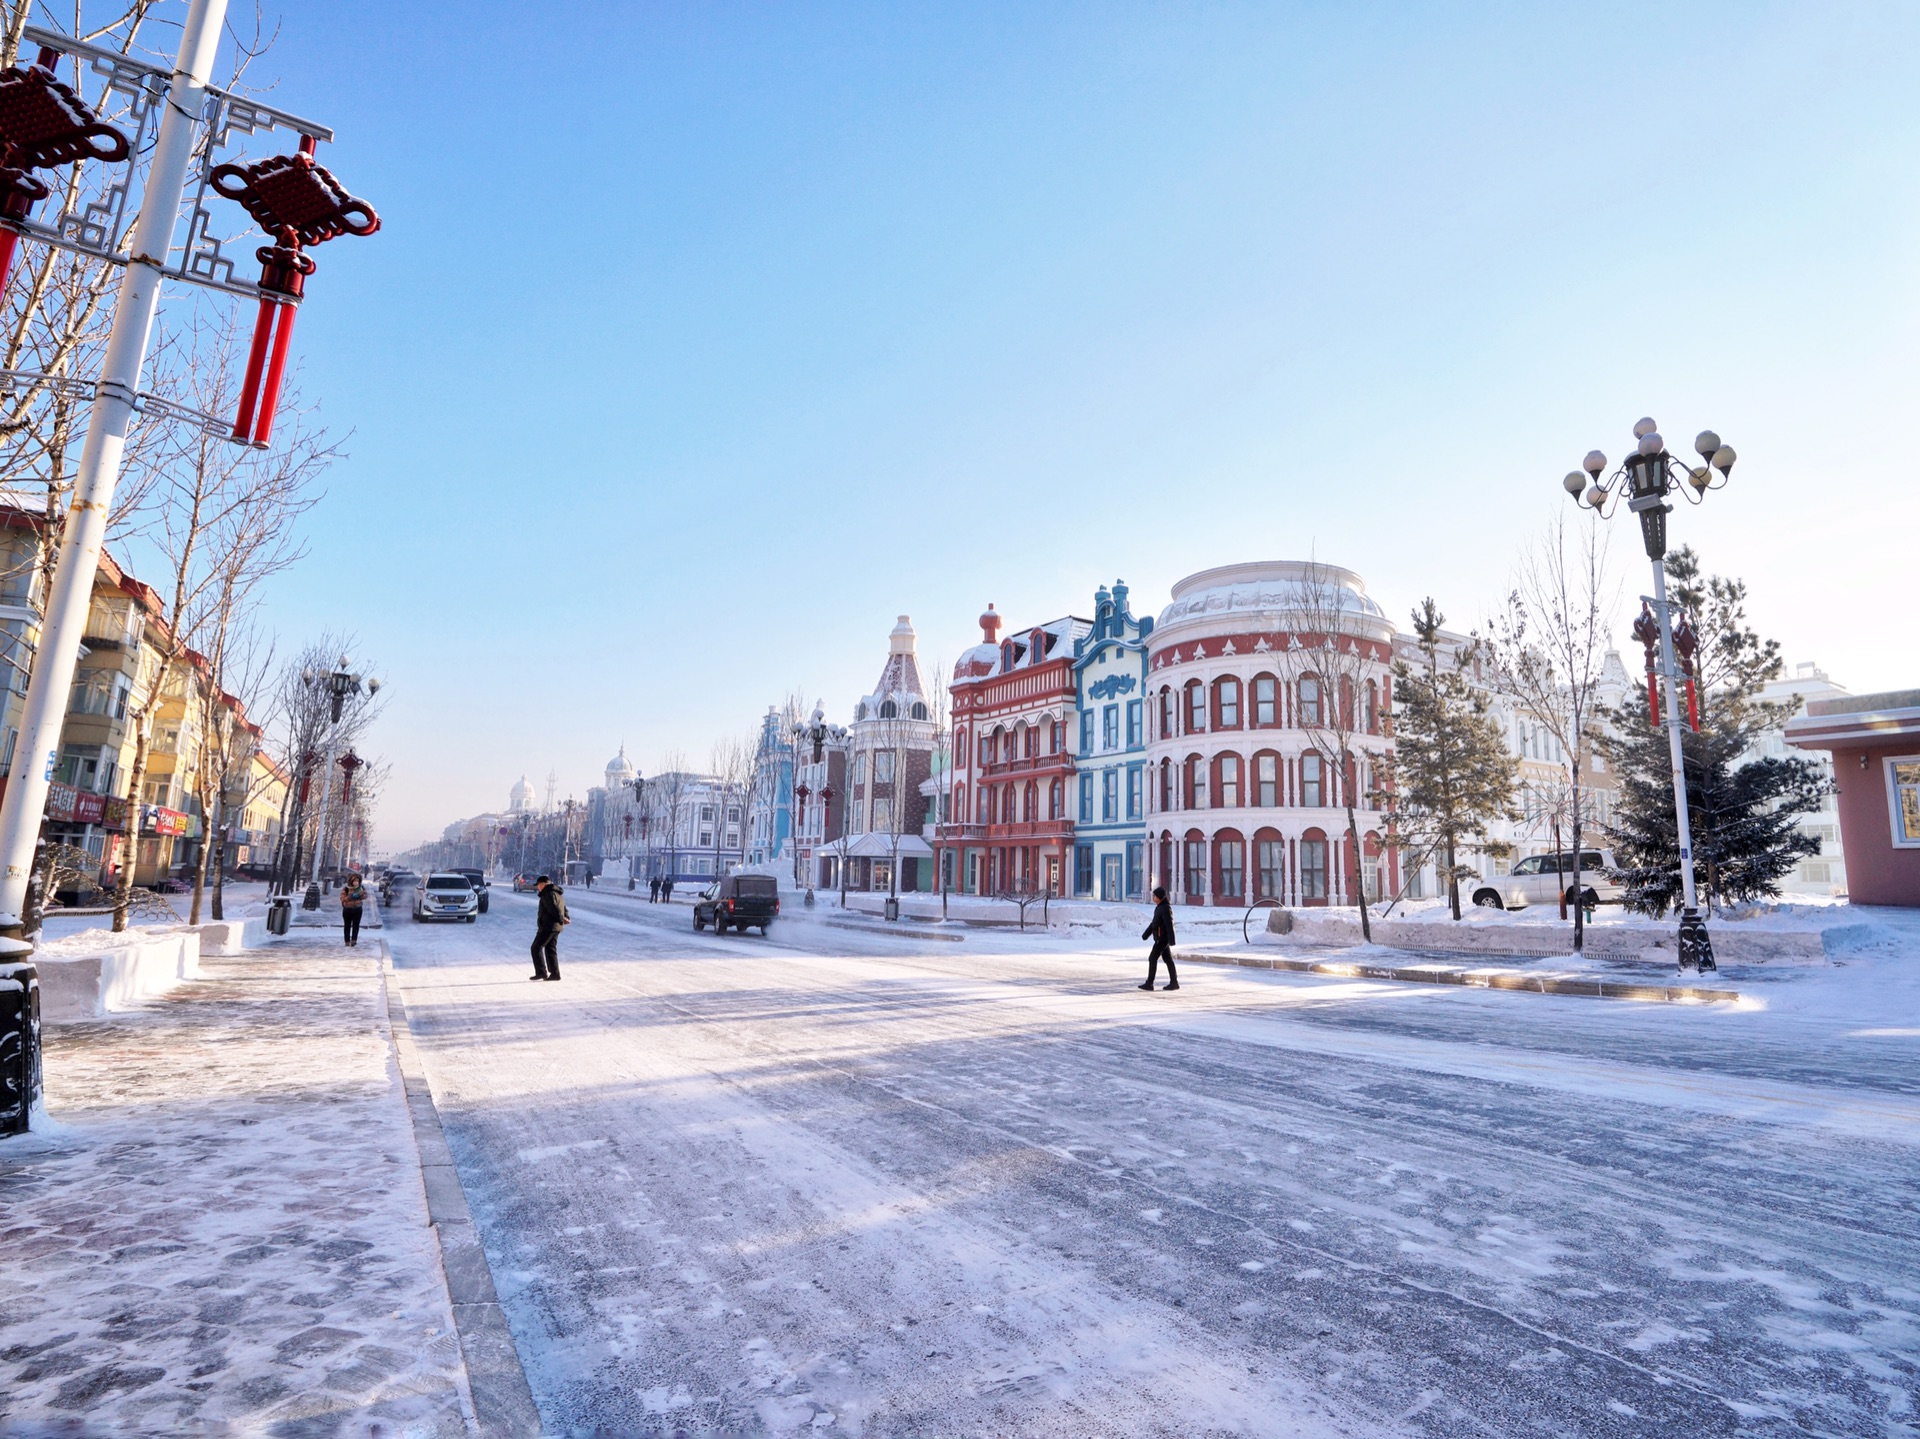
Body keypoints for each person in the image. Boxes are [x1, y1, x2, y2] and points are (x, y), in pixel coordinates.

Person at [1139, 885, 1179, 991]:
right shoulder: (1159, 908)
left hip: (1162, 939)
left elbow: (1169, 924)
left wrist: (1171, 940)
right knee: (1168, 960)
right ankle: (1174, 982)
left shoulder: (1165, 908)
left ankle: (1149, 983)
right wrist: (1146, 934)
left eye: (1155, 896)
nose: (1153, 898)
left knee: (1152, 958)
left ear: (1160, 897)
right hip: (1160, 938)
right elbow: (1154, 923)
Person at [530, 875, 569, 981]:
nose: (538, 887)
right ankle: (555, 974)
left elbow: (554, 909)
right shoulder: (557, 893)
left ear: (543, 884)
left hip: (549, 926)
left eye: (538, 885)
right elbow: (563, 907)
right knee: (550, 949)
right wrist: (565, 917)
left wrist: (561, 919)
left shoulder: (548, 894)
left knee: (536, 948)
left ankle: (541, 972)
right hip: (556, 926)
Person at [340, 873, 367, 947]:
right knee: (347, 926)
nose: (356, 882)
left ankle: (354, 940)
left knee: (356, 925)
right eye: (354, 881)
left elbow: (365, 896)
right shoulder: (346, 889)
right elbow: (343, 898)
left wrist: (360, 895)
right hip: (347, 910)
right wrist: (351, 896)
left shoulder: (361, 888)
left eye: (357, 881)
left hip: (358, 909)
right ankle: (347, 940)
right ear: (351, 881)